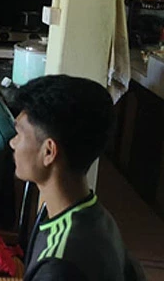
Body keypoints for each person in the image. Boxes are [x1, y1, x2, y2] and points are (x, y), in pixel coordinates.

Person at [11, 75, 144, 280]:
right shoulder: (97, 217)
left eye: (19, 134)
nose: (12, 143)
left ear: (49, 152)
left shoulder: (60, 264)